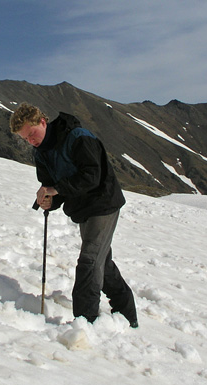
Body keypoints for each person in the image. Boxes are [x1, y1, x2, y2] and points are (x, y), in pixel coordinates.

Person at [9, 103, 138, 328]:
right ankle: (127, 316)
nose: (30, 140)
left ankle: (84, 324)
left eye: (31, 134)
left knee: (89, 261)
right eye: (25, 138)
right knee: (102, 264)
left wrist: (55, 190)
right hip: (82, 209)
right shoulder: (40, 153)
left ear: (42, 122)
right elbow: (52, 185)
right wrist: (49, 200)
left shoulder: (78, 137)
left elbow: (92, 176)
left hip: (103, 204)